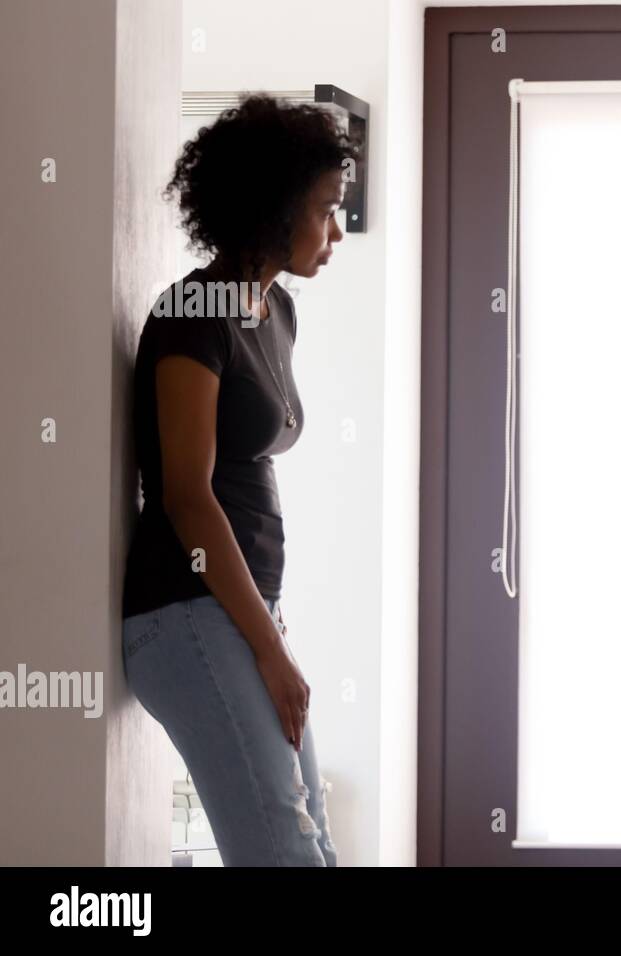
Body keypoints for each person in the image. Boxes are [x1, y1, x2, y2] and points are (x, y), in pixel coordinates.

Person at [120, 95, 353, 866]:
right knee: (283, 850)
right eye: (326, 209)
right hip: (185, 615)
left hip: (244, 607)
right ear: (275, 206)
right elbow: (187, 497)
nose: (336, 231)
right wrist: (270, 649)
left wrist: (270, 632)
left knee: (311, 834)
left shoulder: (276, 310)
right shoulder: (194, 313)